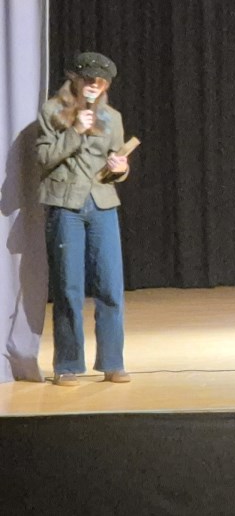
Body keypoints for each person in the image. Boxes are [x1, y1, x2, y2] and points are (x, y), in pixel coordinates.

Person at [36, 52, 134, 385]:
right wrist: (75, 131)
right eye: (90, 80)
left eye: (101, 82)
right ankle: (68, 364)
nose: (95, 86)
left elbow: (116, 162)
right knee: (68, 287)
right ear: (75, 79)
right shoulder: (52, 111)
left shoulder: (112, 117)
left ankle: (113, 362)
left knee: (110, 286)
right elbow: (43, 158)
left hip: (102, 205)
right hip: (66, 206)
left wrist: (120, 168)